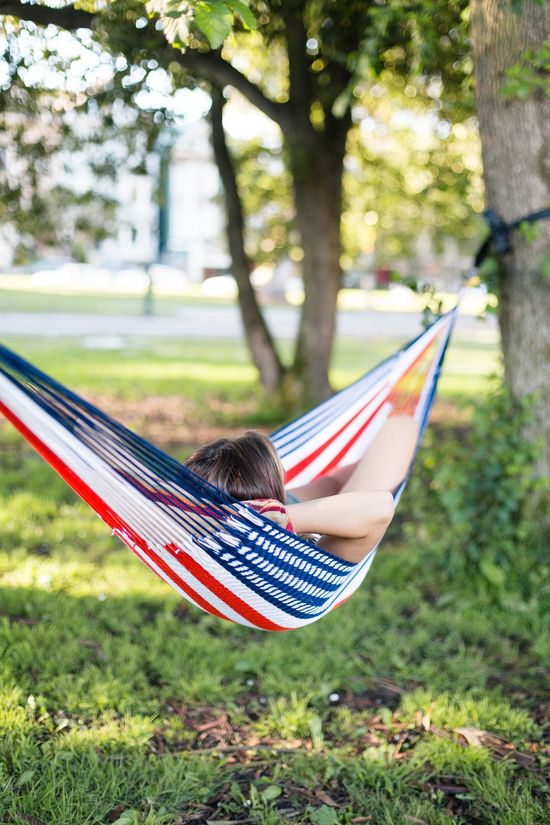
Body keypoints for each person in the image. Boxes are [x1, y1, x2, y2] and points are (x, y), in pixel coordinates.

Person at [184, 415, 418, 564]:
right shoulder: (303, 558)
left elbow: (332, 484)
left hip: (286, 510)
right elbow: (380, 506)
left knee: (396, 432)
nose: (284, 470)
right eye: (280, 471)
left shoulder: (183, 525)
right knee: (401, 425)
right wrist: (274, 517)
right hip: (327, 521)